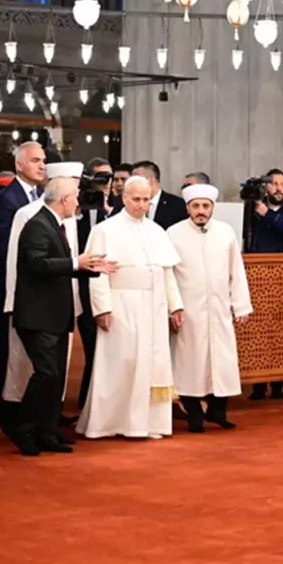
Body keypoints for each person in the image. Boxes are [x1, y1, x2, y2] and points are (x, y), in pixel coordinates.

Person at [11, 162, 114, 455]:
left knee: (55, 376)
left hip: (54, 315)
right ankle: (22, 427)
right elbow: (37, 265)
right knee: (45, 373)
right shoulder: (37, 225)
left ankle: (47, 432)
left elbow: (61, 267)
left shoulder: (54, 224)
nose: (79, 202)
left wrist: (92, 267)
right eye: (76, 197)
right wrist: (76, 263)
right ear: (65, 199)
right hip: (37, 315)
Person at [78, 176, 183, 440]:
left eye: (146, 199)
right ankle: (110, 423)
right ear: (124, 198)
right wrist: (102, 309)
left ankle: (148, 424)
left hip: (154, 306)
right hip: (121, 305)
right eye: (135, 199)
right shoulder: (105, 229)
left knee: (150, 364)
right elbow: (98, 273)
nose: (141, 204)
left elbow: (167, 272)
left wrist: (176, 306)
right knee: (120, 364)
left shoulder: (157, 231)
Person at [168, 184, 252, 432]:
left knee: (221, 362)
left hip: (219, 309)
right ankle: (194, 415)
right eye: (196, 206)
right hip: (188, 312)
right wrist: (173, 308)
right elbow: (168, 275)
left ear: (213, 207)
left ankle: (217, 411)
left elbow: (236, 271)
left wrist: (241, 306)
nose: (201, 211)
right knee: (189, 364)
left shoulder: (225, 232)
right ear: (188, 208)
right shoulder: (173, 234)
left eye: (205, 206)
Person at [0, 141, 47, 398]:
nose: (41, 165)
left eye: (43, 160)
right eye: (35, 160)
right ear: (18, 164)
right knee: (12, 354)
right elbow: (3, 250)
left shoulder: (44, 196)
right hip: (18, 286)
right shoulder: (7, 200)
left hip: (41, 289)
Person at [246, 167, 283, 400]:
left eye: (282, 184)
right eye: (274, 184)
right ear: (265, 187)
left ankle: (278, 382)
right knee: (259, 330)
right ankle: (258, 383)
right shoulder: (251, 209)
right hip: (259, 278)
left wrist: (267, 215)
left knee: (281, 332)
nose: (278, 188)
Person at [75, 158, 114, 411]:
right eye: (99, 179)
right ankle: (87, 404)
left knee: (112, 349)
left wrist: (111, 212)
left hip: (114, 288)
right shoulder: (76, 208)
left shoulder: (121, 208)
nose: (105, 184)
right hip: (82, 288)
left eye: (108, 178)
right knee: (92, 350)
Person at [115, 160, 187, 229]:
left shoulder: (177, 205)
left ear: (151, 180)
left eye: (137, 179)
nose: (134, 182)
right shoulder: (125, 203)